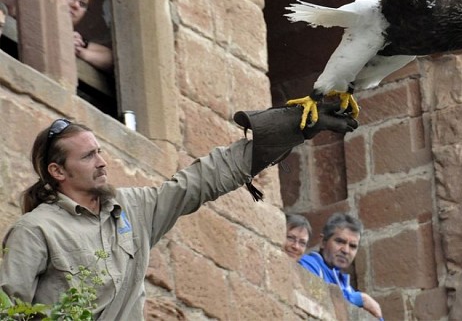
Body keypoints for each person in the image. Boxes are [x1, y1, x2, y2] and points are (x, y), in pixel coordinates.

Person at [0, 103, 357, 319]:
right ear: (58, 172)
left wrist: (292, 127)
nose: (103, 162)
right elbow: (9, 310)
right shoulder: (35, 230)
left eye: (100, 151)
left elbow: (200, 180)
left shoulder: (133, 208)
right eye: (89, 156)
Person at [299, 213, 383, 320]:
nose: (345, 250)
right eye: (340, 241)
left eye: (352, 246)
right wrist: (359, 299)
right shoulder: (308, 264)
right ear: (322, 242)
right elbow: (318, 296)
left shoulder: (345, 286)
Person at [62, 0, 113, 72]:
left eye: (82, 3)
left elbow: (109, 58)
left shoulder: (75, 39)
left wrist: (79, 51)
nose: (76, 5)